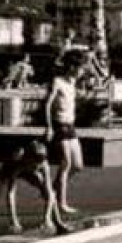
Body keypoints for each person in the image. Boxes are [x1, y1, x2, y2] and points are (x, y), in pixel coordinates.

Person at [0, 139, 69, 237]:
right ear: (28, 159)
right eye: (34, 165)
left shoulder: (43, 165)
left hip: (26, 169)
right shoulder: (16, 161)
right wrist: (13, 220)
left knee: (47, 190)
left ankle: (58, 222)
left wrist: (46, 218)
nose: (36, 167)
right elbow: (10, 193)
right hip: (10, 168)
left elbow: (49, 191)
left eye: (38, 166)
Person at [45, 50, 86, 217]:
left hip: (71, 126)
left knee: (78, 165)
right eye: (80, 67)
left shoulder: (73, 83)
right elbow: (47, 105)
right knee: (66, 164)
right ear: (72, 67)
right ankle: (62, 203)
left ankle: (52, 191)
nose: (82, 71)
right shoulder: (57, 82)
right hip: (59, 125)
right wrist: (48, 127)